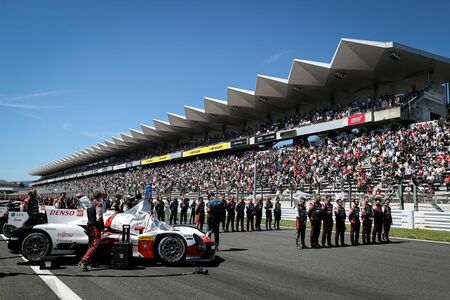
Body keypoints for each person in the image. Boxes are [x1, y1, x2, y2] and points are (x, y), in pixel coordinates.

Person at [78, 191, 104, 272]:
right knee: (95, 243)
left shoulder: (90, 204)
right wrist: (102, 227)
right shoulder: (98, 205)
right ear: (99, 197)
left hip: (89, 225)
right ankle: (84, 261)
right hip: (95, 227)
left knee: (91, 244)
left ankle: (92, 261)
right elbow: (99, 217)